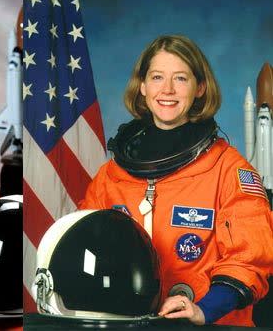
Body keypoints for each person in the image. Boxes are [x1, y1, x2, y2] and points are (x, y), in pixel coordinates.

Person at [79, 35, 273, 327]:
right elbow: (83, 247)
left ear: (200, 88)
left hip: (209, 324)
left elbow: (250, 259)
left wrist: (203, 310)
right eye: (157, 77)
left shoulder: (228, 170)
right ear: (142, 86)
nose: (167, 90)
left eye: (181, 79)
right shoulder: (111, 175)